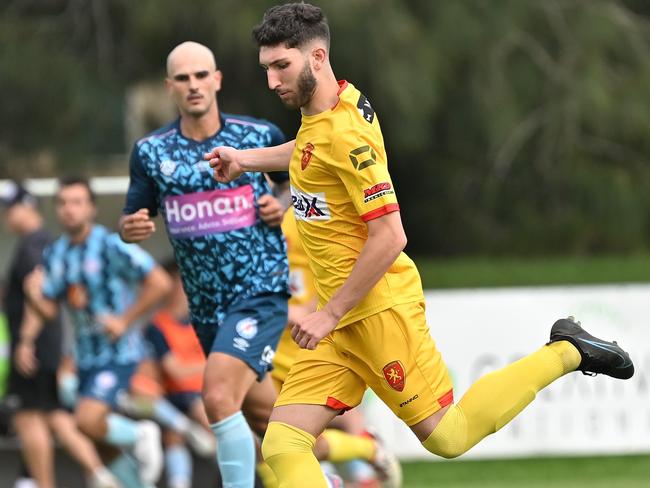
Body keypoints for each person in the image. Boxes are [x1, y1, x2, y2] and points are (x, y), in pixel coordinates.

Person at [205, 4, 635, 487]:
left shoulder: (348, 135)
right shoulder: (327, 111)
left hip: (376, 313)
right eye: (267, 68)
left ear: (318, 57)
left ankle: (568, 350)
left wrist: (328, 314)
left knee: (447, 437)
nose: (272, 81)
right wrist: (245, 160)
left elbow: (391, 235)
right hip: (341, 320)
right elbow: (307, 152)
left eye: (281, 66)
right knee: (284, 442)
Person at [119, 41, 291, 488]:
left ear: (216, 80)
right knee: (274, 427)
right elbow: (134, 214)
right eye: (183, 78)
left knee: (215, 397)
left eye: (201, 76)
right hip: (206, 307)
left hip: (260, 291)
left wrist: (281, 201)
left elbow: (300, 183)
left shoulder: (258, 136)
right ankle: (344, 465)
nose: (193, 85)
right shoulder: (151, 152)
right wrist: (130, 228)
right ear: (169, 87)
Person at [24, 177, 171, 487]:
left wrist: (124, 319)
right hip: (85, 357)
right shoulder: (55, 254)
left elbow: (160, 282)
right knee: (100, 442)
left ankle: (142, 433)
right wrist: (34, 296)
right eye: (63, 203)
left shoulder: (110, 245)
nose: (69, 209)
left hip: (120, 352)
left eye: (77, 202)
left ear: (91, 208)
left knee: (85, 420)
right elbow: (51, 311)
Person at [1, 180, 120, 488]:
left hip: (36, 348)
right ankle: (98, 473)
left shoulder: (33, 245)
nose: (5, 216)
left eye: (8, 209)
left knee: (28, 417)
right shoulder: (44, 243)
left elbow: (40, 298)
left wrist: (26, 341)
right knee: (54, 415)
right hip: (47, 347)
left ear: (27, 206)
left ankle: (47, 483)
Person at [274, 208, 399, 488]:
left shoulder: (303, 212)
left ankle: (365, 460)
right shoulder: (242, 217)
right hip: (262, 349)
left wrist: (308, 312)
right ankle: (359, 458)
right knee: (272, 446)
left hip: (303, 345)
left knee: (289, 442)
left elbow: (333, 267)